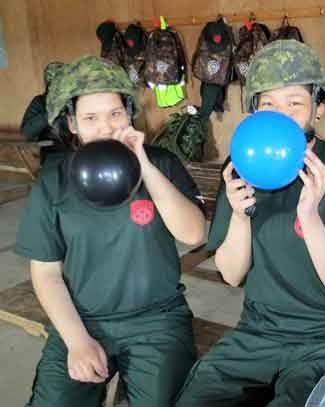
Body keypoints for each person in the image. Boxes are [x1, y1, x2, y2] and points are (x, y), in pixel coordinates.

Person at [175, 39, 325, 407]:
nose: (279, 113)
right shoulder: (241, 166)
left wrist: (310, 217)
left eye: (294, 103)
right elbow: (231, 274)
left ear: (318, 108)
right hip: (261, 331)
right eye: (267, 102)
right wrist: (240, 216)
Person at [14, 55, 206, 407]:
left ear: (129, 113)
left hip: (157, 321)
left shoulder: (161, 163)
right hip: (82, 318)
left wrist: (144, 166)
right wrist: (77, 342)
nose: (105, 127)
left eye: (115, 114)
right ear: (72, 123)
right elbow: (46, 274)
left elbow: (194, 235)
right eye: (90, 118)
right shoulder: (53, 182)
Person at [20, 61, 69, 165]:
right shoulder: (40, 102)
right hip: (52, 157)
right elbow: (26, 133)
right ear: (49, 85)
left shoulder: (74, 99)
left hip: (78, 154)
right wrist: (50, 114)